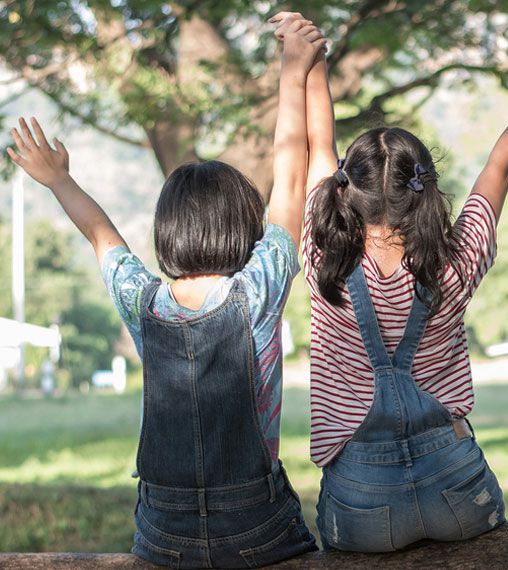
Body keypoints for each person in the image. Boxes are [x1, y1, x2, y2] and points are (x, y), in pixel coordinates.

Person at [7, 17, 326, 568]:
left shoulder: (143, 302)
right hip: (256, 527)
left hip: (164, 535)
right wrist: (293, 69)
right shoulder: (259, 288)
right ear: (243, 227)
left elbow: (101, 234)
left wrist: (58, 179)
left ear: (167, 231)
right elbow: (291, 173)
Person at [287, 11, 508, 551]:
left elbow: (317, 141)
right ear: (426, 190)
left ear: (343, 194)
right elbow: (501, 161)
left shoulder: (321, 256)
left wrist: (313, 62)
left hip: (361, 501)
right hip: (457, 491)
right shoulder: (456, 260)